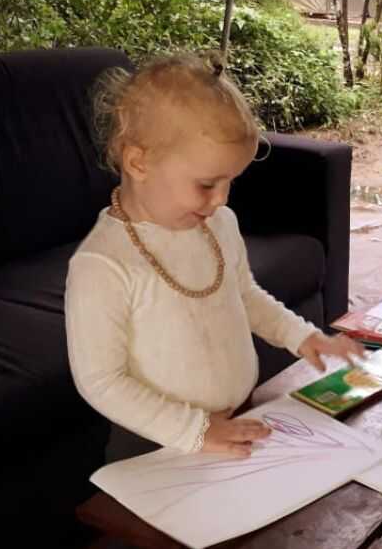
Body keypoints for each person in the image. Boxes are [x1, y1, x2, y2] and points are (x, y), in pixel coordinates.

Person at [66, 52, 362, 460]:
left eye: (230, 182)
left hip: (235, 420)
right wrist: (198, 431)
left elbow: (244, 295)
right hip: (156, 446)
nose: (221, 199)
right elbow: (101, 382)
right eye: (207, 184)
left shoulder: (219, 223)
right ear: (138, 161)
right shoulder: (102, 266)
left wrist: (304, 337)